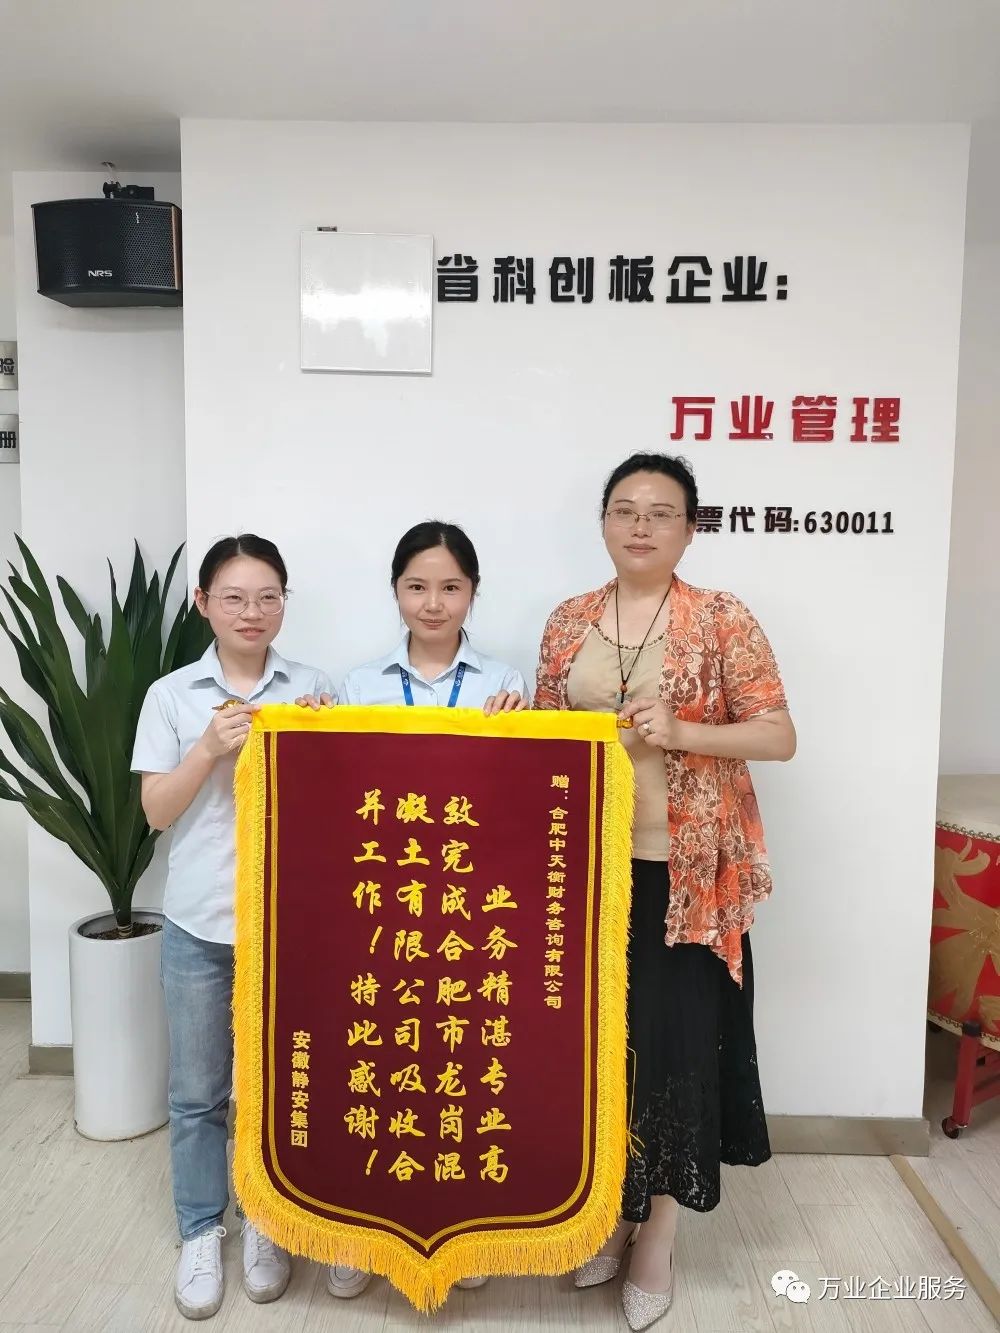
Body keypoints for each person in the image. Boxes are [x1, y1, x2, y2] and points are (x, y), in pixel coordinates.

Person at [534, 454, 795, 1331]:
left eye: (661, 511)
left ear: (689, 528)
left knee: (675, 1050)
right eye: (624, 509)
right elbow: (545, 739)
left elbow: (779, 733)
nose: (640, 525)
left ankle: (659, 1236)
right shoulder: (568, 621)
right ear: (603, 522)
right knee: (600, 1049)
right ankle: (611, 1212)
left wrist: (683, 729)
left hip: (686, 876)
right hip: (586, 872)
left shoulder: (721, 617)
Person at [297, 519, 528, 1300]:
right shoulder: (360, 684)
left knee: (456, 1071)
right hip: (380, 911)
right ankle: (355, 1232)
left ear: (473, 592)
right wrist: (315, 730)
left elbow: (520, 803)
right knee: (371, 1067)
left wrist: (521, 733)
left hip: (466, 911)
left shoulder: (505, 684)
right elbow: (334, 796)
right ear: (395, 590)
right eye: (417, 586)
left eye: (450, 587)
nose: (433, 603)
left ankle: (460, 1228)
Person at [132, 534, 334, 1321]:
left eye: (268, 596)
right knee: (196, 1093)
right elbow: (156, 812)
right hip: (201, 921)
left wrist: (325, 743)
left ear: (285, 602)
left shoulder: (313, 688)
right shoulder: (171, 694)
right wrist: (208, 750)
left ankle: (268, 1221)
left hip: (290, 927)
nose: (253, 611)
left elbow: (347, 805)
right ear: (203, 604)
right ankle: (199, 1230)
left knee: (278, 1087)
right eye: (234, 597)